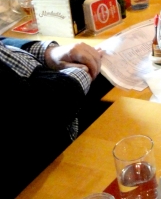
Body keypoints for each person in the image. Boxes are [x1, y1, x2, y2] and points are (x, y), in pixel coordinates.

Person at [1, 37, 102, 197]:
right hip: (40, 163)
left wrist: (49, 53)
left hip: (56, 97)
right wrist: (80, 73)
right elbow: (37, 113)